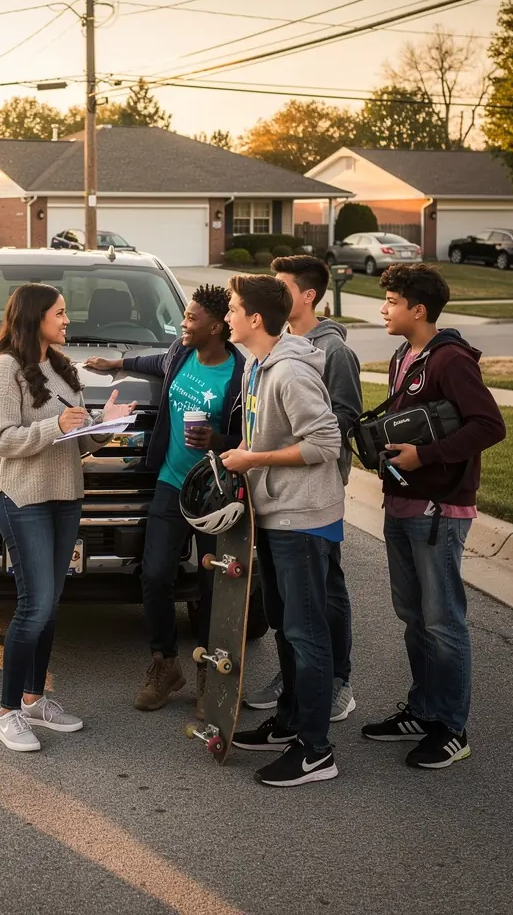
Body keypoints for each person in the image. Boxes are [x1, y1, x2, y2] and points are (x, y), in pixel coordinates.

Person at [361, 263, 504, 769]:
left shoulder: (451, 360)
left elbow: (490, 425)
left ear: (417, 309)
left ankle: (451, 727)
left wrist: (427, 456)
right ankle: (422, 710)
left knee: (444, 621)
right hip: (402, 503)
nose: (383, 309)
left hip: (439, 509)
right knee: (415, 617)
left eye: (391, 302)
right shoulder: (407, 354)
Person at [0, 283, 135, 752]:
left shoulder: (64, 370)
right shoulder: (5, 369)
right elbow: (3, 439)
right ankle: (6, 713)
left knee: (51, 604)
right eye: (60, 313)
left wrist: (103, 427)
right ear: (35, 318)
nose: (68, 320)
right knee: (35, 604)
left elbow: (75, 442)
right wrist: (57, 425)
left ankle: (34, 700)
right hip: (22, 498)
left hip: (64, 495)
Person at [85, 284, 244, 717]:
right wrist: (117, 363)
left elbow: (254, 436)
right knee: (155, 576)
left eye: (191, 318)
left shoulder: (240, 374)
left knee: (216, 586)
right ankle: (165, 664)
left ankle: (212, 669)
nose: (183, 324)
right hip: (171, 483)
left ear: (216, 326)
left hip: (215, 493)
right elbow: (154, 361)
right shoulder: (180, 352)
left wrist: (220, 439)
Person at [221, 274, 345, 787]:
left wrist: (255, 459)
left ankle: (316, 750)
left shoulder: (290, 372)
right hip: (275, 512)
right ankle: (290, 721)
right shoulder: (257, 363)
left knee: (306, 631)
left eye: (232, 309)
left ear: (255, 319)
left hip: (303, 518)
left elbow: (326, 443)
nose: (226, 316)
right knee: (284, 624)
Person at [242, 255, 362, 721]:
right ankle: (295, 685)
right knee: (294, 609)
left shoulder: (332, 353)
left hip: (311, 496)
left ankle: (335, 683)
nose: (274, 291)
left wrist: (268, 454)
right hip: (280, 492)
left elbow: (338, 426)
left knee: (324, 594)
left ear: (307, 294)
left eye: (283, 285)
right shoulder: (277, 347)